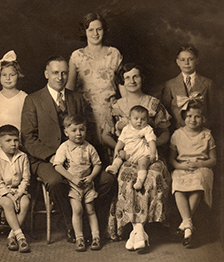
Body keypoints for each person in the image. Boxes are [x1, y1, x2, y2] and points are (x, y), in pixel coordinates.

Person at [21, 55, 114, 243]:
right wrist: (52, 156)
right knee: (56, 181)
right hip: (46, 158)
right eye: (55, 73)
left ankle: (90, 220)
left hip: (80, 155)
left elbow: (88, 132)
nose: (60, 77)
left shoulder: (77, 99)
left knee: (107, 179)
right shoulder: (33, 100)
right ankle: (70, 225)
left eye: (64, 73)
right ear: (46, 74)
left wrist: (85, 155)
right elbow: (28, 139)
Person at [102, 63, 171, 251]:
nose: (132, 81)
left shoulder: (154, 104)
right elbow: (105, 134)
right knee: (127, 178)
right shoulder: (115, 107)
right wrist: (119, 150)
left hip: (150, 156)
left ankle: (137, 232)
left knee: (153, 175)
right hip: (126, 157)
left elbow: (165, 132)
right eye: (127, 78)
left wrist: (152, 146)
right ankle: (139, 231)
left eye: (136, 76)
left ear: (142, 79)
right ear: (121, 82)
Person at [65, 12, 123, 163]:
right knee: (89, 158)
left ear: (104, 30)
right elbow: (69, 90)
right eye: (91, 30)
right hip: (85, 114)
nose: (95, 33)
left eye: (99, 29)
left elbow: (123, 86)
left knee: (113, 158)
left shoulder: (114, 54)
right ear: (84, 32)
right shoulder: (76, 56)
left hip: (110, 114)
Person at [169, 99, 216, 248]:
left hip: (202, 167)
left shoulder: (207, 135)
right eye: (189, 116)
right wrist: (180, 166)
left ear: (203, 118)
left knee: (199, 181)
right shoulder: (177, 134)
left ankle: (185, 225)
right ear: (183, 117)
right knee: (177, 183)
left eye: (197, 116)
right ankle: (188, 226)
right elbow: (172, 160)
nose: (193, 119)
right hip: (182, 167)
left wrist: (199, 164)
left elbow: (213, 160)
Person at [54, 114, 101, 252]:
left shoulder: (89, 147)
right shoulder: (64, 147)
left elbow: (97, 164)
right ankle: (79, 237)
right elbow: (57, 165)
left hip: (87, 184)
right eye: (74, 130)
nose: (78, 134)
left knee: (91, 210)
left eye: (82, 130)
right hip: (73, 186)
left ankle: (96, 237)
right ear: (66, 132)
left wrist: (91, 177)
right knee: (77, 210)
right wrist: (72, 178)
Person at [0, 50, 27, 183]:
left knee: (14, 180)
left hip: (15, 146)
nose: (8, 78)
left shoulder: (24, 97)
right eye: (4, 75)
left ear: (18, 75)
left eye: (12, 75)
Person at [0, 125, 31, 253]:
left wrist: (18, 194)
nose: (13, 144)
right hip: (0, 192)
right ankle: (21, 237)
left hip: (18, 190)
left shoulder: (23, 156)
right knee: (7, 203)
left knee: (25, 202)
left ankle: (12, 236)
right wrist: (9, 195)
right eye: (8, 141)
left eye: (16, 140)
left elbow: (26, 178)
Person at [161, 44, 215, 132]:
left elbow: (212, 111)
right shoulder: (170, 84)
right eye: (182, 60)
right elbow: (165, 113)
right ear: (177, 62)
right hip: (177, 132)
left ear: (197, 61)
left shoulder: (208, 83)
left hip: (201, 132)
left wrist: (205, 128)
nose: (186, 63)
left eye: (190, 59)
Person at [106, 105, 158, 190]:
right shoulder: (126, 129)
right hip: (129, 153)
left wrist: (152, 153)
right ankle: (114, 167)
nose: (139, 122)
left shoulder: (147, 129)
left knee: (143, 164)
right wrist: (116, 149)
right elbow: (121, 141)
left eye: (143, 119)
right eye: (136, 119)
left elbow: (151, 141)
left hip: (142, 153)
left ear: (147, 120)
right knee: (120, 154)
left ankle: (140, 181)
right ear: (130, 119)